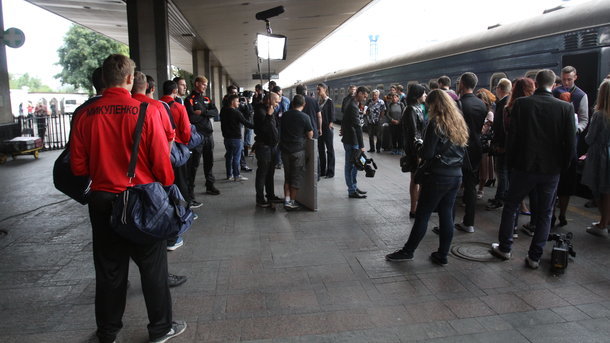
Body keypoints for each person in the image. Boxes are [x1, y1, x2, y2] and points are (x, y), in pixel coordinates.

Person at [70, 54, 186, 343]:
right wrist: (164, 185)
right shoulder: (145, 111)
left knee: (109, 271)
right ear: (130, 79)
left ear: (103, 78)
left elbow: (79, 168)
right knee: (153, 268)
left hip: (102, 201)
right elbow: (163, 166)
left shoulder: (84, 115)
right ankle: (160, 328)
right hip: (141, 201)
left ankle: (107, 332)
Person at [491, 69, 576, 269]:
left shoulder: (521, 104)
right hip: (551, 170)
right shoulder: (565, 107)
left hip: (523, 167)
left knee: (511, 206)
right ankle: (534, 257)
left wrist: (511, 162)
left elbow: (513, 137)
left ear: (536, 84)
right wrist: (562, 166)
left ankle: (505, 248)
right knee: (546, 213)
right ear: (553, 85)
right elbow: (570, 144)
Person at [386, 90, 468, 265]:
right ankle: (443, 255)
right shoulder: (459, 121)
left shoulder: (436, 123)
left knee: (423, 214)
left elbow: (428, 153)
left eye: (428, 105)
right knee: (446, 214)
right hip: (456, 175)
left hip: (437, 176)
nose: (427, 108)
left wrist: (419, 145)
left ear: (434, 105)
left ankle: (408, 251)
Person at [552, 66, 589, 227]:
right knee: (552, 182)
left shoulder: (581, 96)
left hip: (570, 144)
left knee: (566, 184)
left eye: (570, 79)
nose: (566, 83)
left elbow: (584, 119)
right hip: (553, 144)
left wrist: (576, 129)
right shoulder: (555, 92)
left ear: (576, 77)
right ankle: (551, 213)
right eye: (564, 79)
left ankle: (563, 214)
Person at [455, 72, 487, 233]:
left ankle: (448, 221)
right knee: (470, 185)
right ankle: (469, 222)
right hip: (476, 148)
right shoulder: (482, 105)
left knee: (454, 185)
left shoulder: (458, 105)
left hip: (460, 148)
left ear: (461, 84)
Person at [582, 80, 610, 236]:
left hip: (600, 155)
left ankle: (602, 224)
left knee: (598, 188)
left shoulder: (600, 115)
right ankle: (606, 220)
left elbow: (590, 138)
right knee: (608, 190)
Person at [185, 76, 220, 203]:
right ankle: (190, 192)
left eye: (206, 84)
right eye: (203, 84)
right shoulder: (189, 99)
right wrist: (206, 113)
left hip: (208, 135)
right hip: (197, 136)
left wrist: (203, 112)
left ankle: (210, 185)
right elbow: (191, 118)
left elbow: (216, 112)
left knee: (209, 162)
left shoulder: (206, 98)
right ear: (197, 83)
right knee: (193, 165)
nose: (205, 86)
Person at [280, 94, 314, 210]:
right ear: (304, 105)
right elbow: (310, 135)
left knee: (287, 177)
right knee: (296, 177)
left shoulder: (284, 115)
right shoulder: (305, 117)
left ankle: (286, 200)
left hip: (285, 151)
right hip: (298, 151)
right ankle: (292, 202)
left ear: (292, 104)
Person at [401, 84, 427, 218]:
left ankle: (420, 207)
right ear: (417, 96)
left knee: (420, 179)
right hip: (415, 151)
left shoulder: (418, 108)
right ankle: (413, 209)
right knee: (415, 179)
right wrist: (417, 153)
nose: (425, 95)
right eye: (423, 93)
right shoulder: (410, 110)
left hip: (420, 148)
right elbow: (413, 133)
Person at [487, 78, 512, 210]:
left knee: (501, 172)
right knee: (503, 172)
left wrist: (501, 145)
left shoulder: (503, 105)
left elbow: (503, 128)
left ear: (500, 89)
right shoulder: (507, 103)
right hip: (504, 144)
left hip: (502, 145)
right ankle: (500, 195)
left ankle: (500, 198)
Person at [253, 92, 281, 208]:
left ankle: (271, 195)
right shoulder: (260, 111)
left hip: (272, 146)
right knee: (262, 173)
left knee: (270, 173)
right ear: (269, 100)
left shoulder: (271, 109)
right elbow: (263, 129)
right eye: (276, 101)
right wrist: (269, 115)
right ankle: (260, 199)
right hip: (264, 146)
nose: (277, 104)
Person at [342, 86, 369, 198]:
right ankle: (351, 190)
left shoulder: (353, 103)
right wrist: (362, 146)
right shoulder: (353, 106)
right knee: (350, 165)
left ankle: (354, 186)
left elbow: (345, 119)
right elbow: (358, 127)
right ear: (359, 93)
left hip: (351, 139)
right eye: (364, 96)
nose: (365, 98)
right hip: (351, 140)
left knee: (355, 165)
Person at [220, 94, 254, 181]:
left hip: (227, 138)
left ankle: (229, 175)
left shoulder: (223, 111)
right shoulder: (236, 112)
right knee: (236, 157)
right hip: (236, 138)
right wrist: (258, 126)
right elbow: (246, 123)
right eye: (237, 101)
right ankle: (237, 175)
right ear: (232, 102)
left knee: (229, 156)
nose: (239, 103)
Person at [476, 88, 497, 199]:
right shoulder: (480, 111)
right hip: (477, 142)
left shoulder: (489, 114)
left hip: (484, 144)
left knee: (483, 168)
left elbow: (484, 130)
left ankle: (481, 188)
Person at [317, 83, 335, 178]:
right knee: (321, 150)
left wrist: (330, 125)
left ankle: (330, 171)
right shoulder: (319, 101)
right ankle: (323, 170)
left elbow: (332, 116)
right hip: (320, 129)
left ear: (324, 89)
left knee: (330, 150)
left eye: (319, 89)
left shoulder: (329, 101)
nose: (317, 91)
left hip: (327, 129)